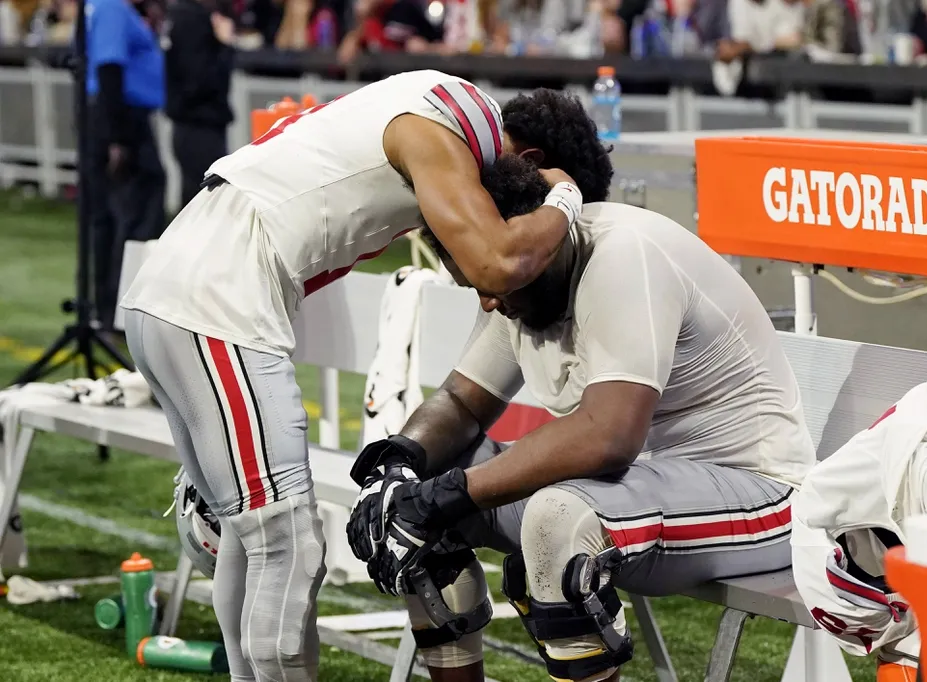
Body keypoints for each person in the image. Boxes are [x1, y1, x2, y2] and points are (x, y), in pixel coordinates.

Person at [118, 73, 611, 682]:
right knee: (287, 546)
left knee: (250, 542)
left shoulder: (432, 101)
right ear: (532, 163)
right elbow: (498, 261)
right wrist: (563, 200)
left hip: (176, 288)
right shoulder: (454, 124)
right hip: (218, 300)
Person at [347, 155, 817, 682]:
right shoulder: (517, 275)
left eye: (495, 279)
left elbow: (608, 436)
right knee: (414, 490)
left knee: (557, 522)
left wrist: (449, 495)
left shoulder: (621, 255)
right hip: (635, 492)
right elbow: (460, 401)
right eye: (475, 280)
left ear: (534, 247)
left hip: (758, 493)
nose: (489, 298)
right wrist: (397, 467)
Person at [85, 0, 166, 330]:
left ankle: (111, 311)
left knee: (115, 216)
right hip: (122, 119)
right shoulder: (112, 8)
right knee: (135, 216)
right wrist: (116, 136)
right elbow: (109, 69)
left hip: (117, 116)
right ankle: (120, 312)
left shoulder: (111, 8)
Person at [165, 0, 235, 209]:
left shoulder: (180, 15)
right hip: (200, 124)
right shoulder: (192, 19)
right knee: (206, 204)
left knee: (195, 199)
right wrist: (225, 46)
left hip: (189, 124)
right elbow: (201, 81)